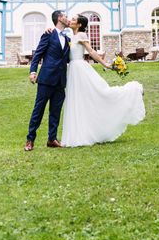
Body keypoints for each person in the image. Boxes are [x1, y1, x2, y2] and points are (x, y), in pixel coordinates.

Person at [61, 14, 145, 147]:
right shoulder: (70, 36)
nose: (70, 21)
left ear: (80, 25)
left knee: (100, 94)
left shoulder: (81, 35)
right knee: (78, 101)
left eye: (73, 19)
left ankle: (133, 90)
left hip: (80, 69)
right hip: (72, 70)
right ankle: (79, 134)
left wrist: (105, 64)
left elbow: (91, 51)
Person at [25, 10, 70, 151]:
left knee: (55, 111)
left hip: (60, 81)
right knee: (38, 110)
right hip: (46, 79)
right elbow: (38, 54)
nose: (68, 19)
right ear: (60, 18)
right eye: (66, 16)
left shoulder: (68, 40)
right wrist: (33, 71)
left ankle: (52, 139)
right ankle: (30, 140)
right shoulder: (48, 34)